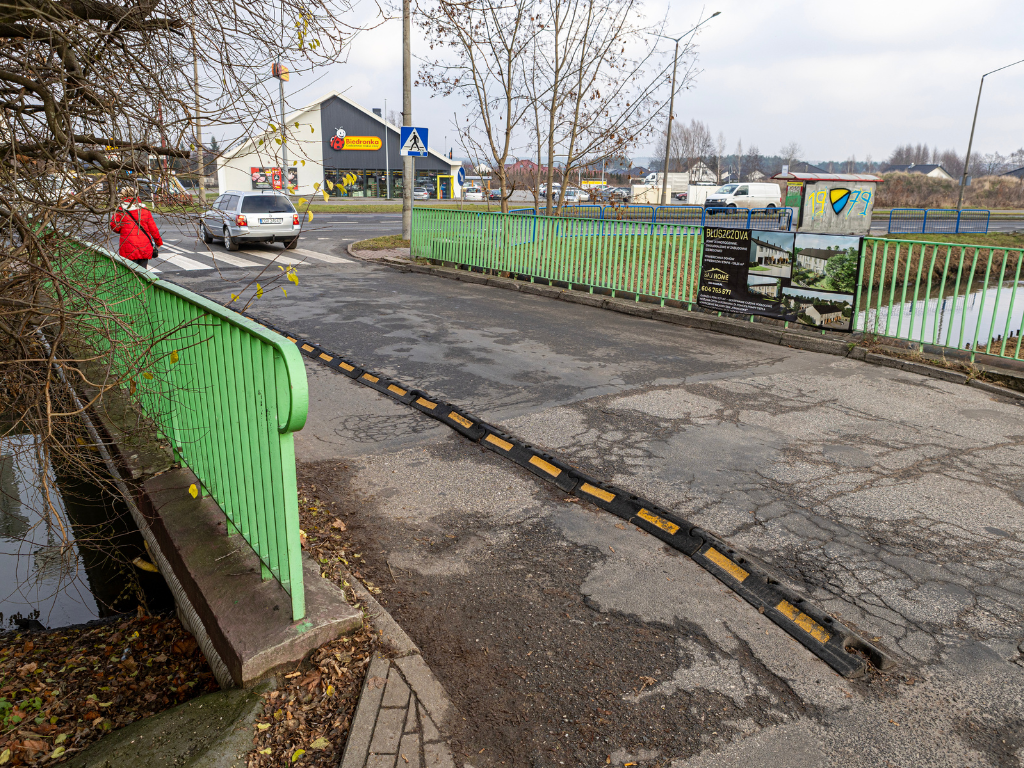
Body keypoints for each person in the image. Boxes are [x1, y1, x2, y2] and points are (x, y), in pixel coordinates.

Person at [110, 194, 162, 269]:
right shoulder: (144, 209)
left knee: (130, 273)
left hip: (128, 247)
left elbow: (115, 227)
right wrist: (158, 242)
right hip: (144, 247)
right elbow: (153, 228)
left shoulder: (120, 210)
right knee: (143, 272)